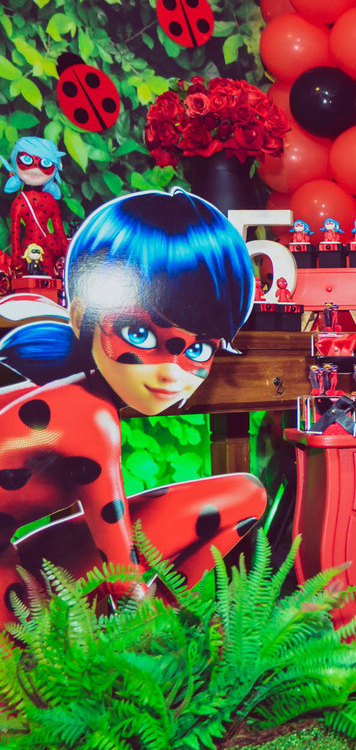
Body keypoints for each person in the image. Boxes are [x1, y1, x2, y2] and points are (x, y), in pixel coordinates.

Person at [0, 189, 266, 621]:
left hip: (20, 561)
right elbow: (121, 574)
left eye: (198, 348)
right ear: (82, 314)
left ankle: (172, 630)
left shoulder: (78, 393)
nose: (171, 373)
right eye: (139, 334)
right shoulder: (86, 413)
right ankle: (150, 641)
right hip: (9, 580)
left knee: (244, 495)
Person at [3, 136, 69, 278]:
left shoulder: (20, 202)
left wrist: (16, 259)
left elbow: (15, 236)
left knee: (36, 281)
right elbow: (60, 233)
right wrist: (67, 254)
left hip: (32, 250)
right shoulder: (47, 201)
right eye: (27, 160)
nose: (35, 169)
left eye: (45, 163)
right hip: (37, 251)